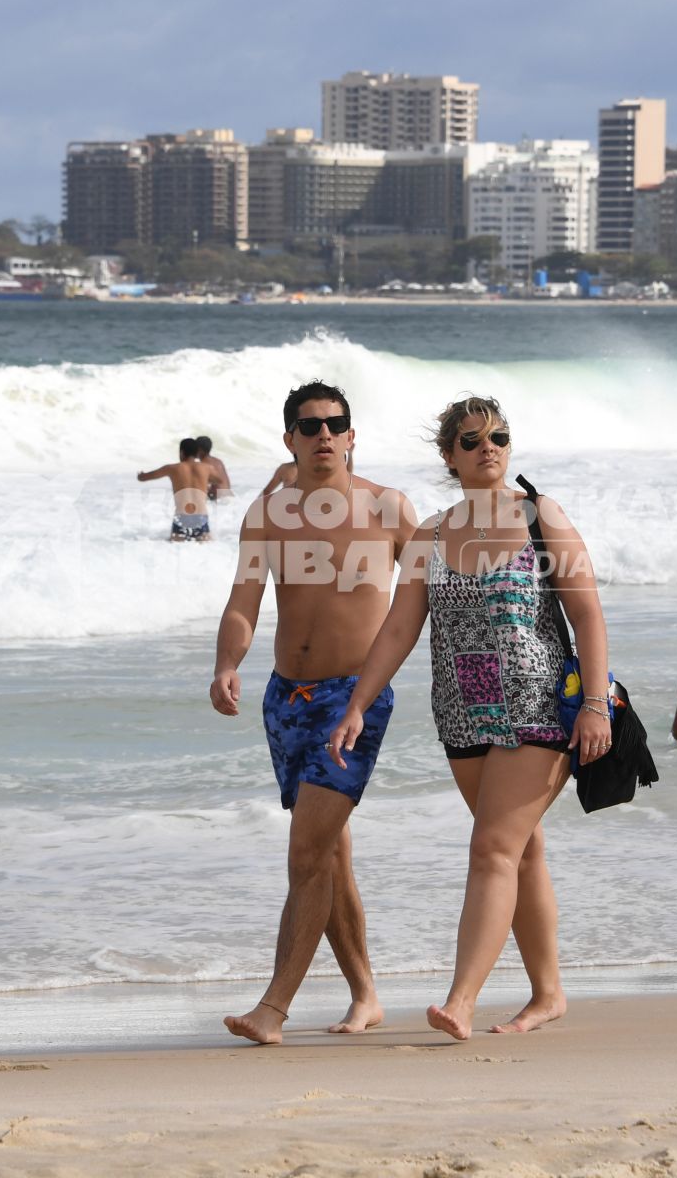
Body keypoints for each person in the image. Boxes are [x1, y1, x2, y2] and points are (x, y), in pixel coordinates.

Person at [329, 395, 612, 1042]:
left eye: (499, 436)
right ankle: (548, 994)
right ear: (449, 456)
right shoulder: (431, 533)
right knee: (521, 851)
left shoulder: (542, 516)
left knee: (492, 849)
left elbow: (588, 615)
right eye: (472, 438)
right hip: (461, 706)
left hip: (538, 701)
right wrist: (357, 705)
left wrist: (594, 703)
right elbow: (401, 627)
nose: (489, 446)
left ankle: (461, 1000)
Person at [211, 381, 419, 1044]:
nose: (323, 435)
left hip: (354, 698)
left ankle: (273, 1009)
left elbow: (435, 593)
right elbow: (244, 602)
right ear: (290, 440)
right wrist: (226, 664)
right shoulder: (268, 514)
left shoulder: (388, 509)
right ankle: (366, 995)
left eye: (335, 425)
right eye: (310, 426)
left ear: (352, 436)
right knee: (328, 857)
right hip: (285, 698)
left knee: (306, 853)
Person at [137, 438, 223, 540]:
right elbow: (219, 480)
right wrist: (205, 482)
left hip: (181, 517)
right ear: (196, 454)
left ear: (182, 452)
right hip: (201, 517)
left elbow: (144, 478)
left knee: (176, 552)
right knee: (203, 551)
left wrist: (140, 475)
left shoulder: (172, 468)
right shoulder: (206, 468)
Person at [193, 436, 232, 501]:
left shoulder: (202, 465)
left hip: (219, 500)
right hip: (229, 498)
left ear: (200, 450)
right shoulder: (218, 461)